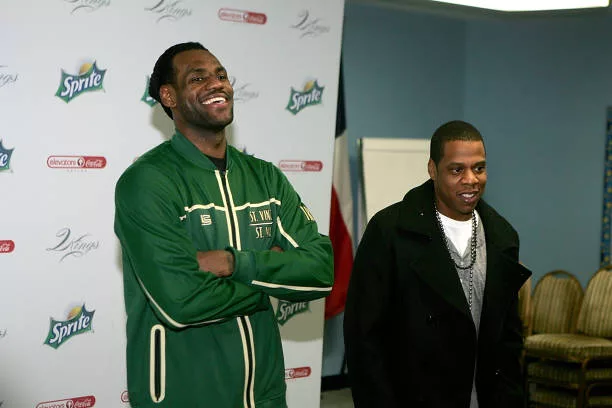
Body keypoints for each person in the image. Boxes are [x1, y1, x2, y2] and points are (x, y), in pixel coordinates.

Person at [114, 42, 334, 408]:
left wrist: (235, 264)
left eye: (221, 75)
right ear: (168, 96)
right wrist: (272, 279)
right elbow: (180, 301)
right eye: (197, 77)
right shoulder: (147, 181)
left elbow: (322, 271)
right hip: (184, 395)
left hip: (264, 395)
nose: (217, 84)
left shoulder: (265, 177)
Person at [344, 120, 531, 408]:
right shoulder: (389, 231)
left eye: (479, 168)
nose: (471, 179)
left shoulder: (503, 237)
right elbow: (364, 337)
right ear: (433, 170)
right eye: (457, 170)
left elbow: (508, 338)